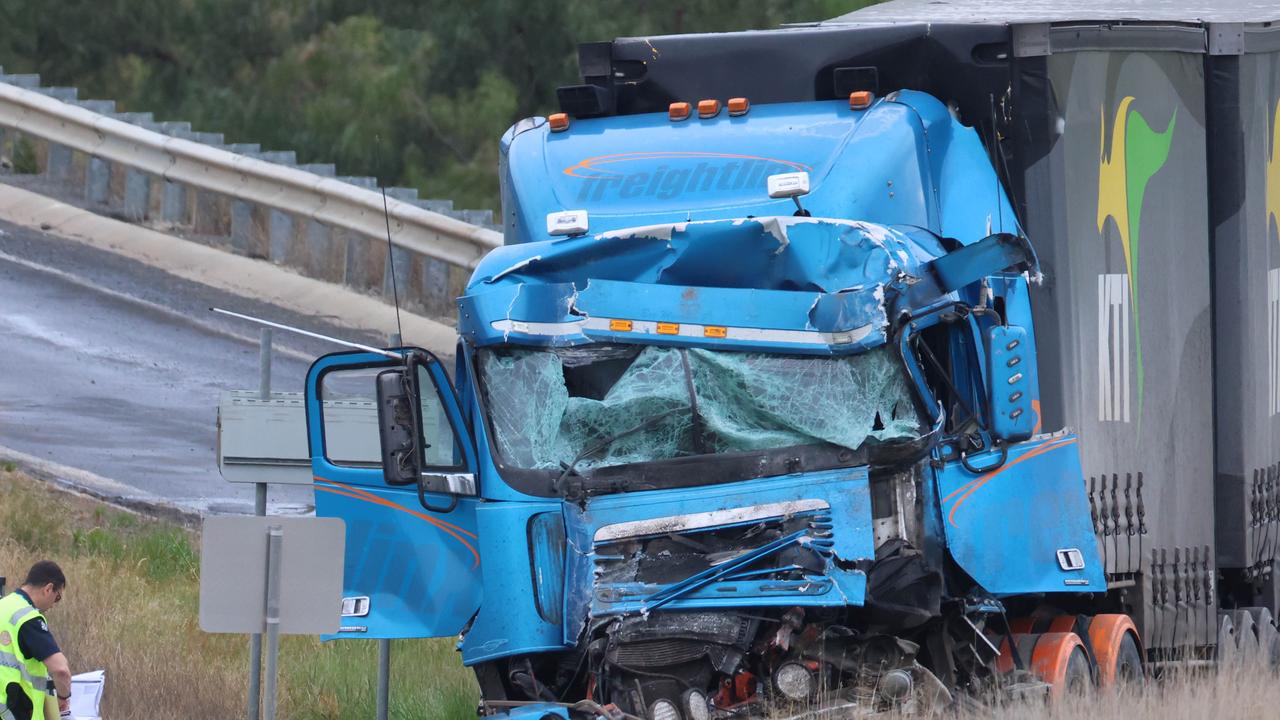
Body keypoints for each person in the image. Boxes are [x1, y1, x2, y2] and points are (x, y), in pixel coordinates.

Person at [0, 561, 71, 720]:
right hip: (15, 712)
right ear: (48, 589)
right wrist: (63, 698)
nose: (53, 604)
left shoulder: (3, 605)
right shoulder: (28, 618)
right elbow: (61, 670)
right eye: (57, 597)